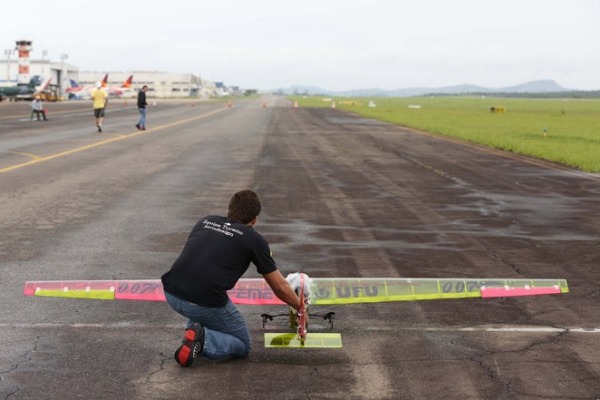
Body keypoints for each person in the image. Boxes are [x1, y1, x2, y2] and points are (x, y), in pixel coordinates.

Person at [161, 189, 302, 367]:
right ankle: (204, 341)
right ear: (254, 219)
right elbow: (279, 286)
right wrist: (300, 307)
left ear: (229, 209)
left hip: (171, 293)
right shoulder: (254, 239)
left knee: (203, 308)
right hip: (203, 301)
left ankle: (195, 333)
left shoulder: (205, 221)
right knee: (242, 344)